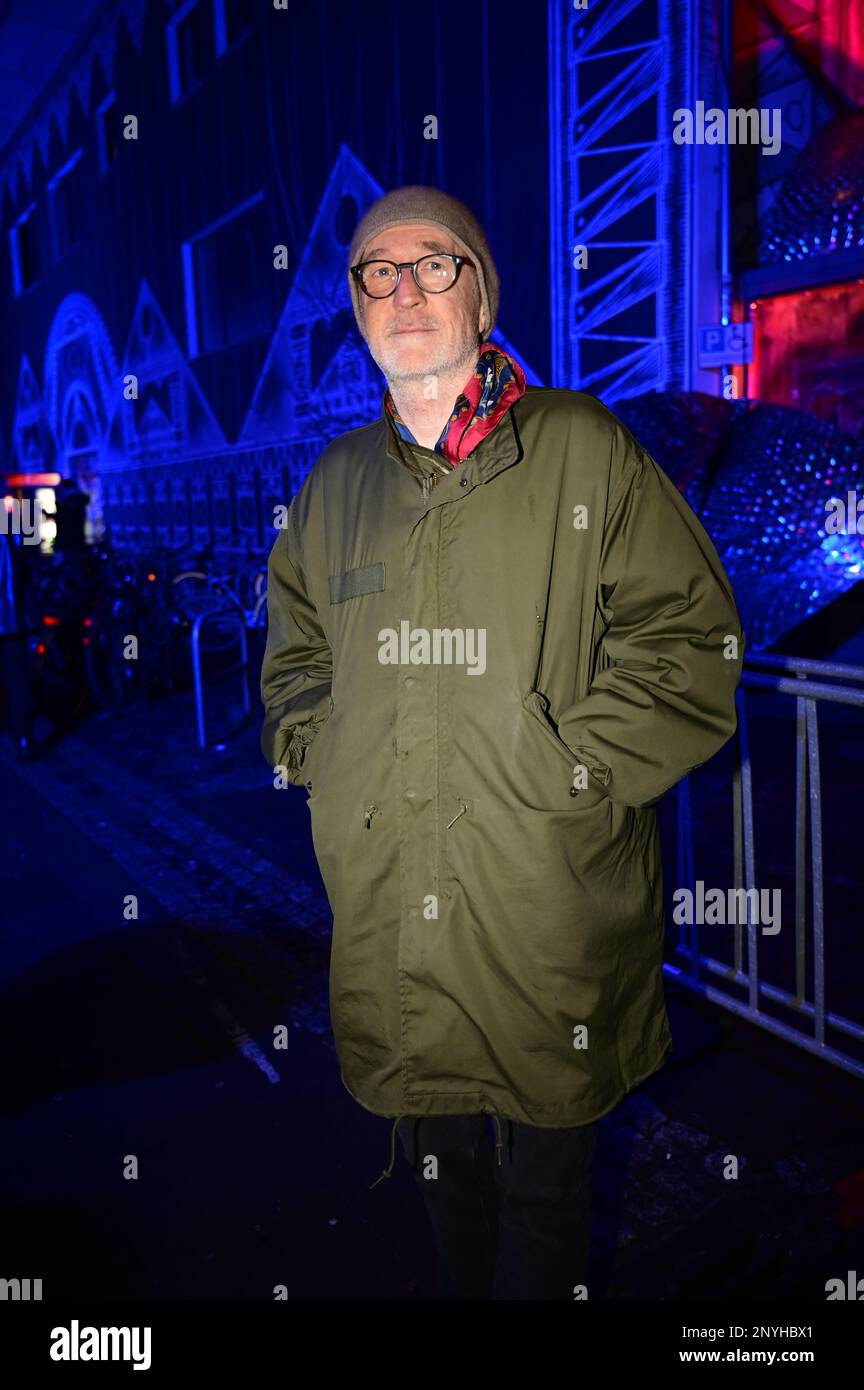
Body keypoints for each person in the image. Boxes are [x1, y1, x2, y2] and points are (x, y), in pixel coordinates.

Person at [260, 185, 746, 1300]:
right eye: (379, 270)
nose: (406, 289)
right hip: (392, 921)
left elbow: (693, 641)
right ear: (356, 304)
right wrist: (325, 758)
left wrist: (563, 770)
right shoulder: (334, 488)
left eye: (436, 264)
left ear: (482, 292)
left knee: (546, 1190)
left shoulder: (580, 448)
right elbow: (292, 668)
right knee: (444, 1174)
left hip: (545, 909)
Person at [0, 527, 36, 760]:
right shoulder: (12, 518)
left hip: (12, 620)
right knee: (17, 681)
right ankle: (24, 738)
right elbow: (33, 555)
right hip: (12, 619)